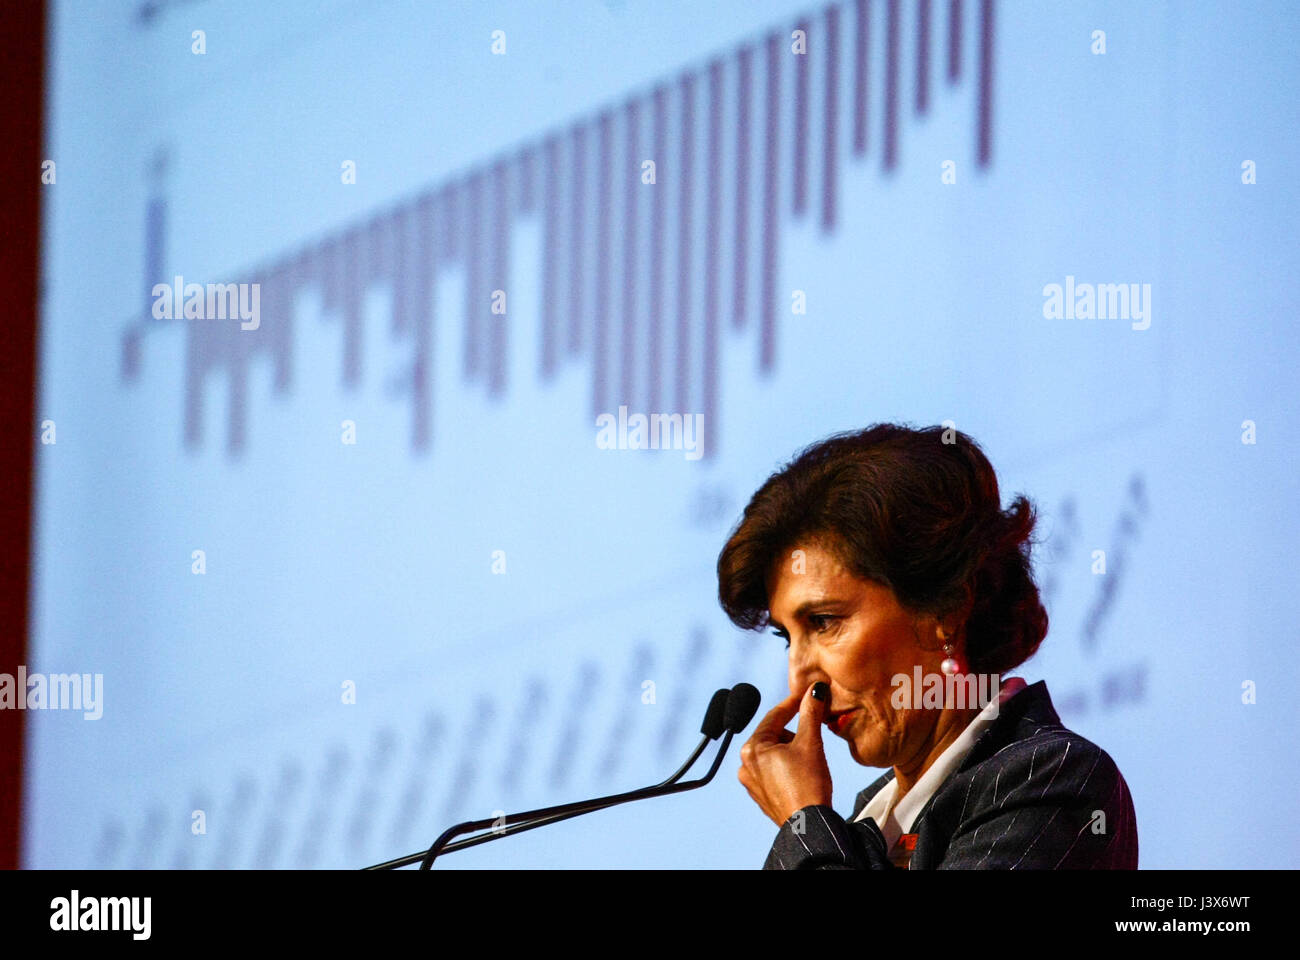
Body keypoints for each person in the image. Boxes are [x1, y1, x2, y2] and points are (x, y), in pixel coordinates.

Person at [716, 423, 1138, 869]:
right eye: (787, 637)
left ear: (945, 609)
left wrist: (803, 823)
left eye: (823, 622)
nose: (798, 679)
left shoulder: (1055, 779)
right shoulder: (869, 819)